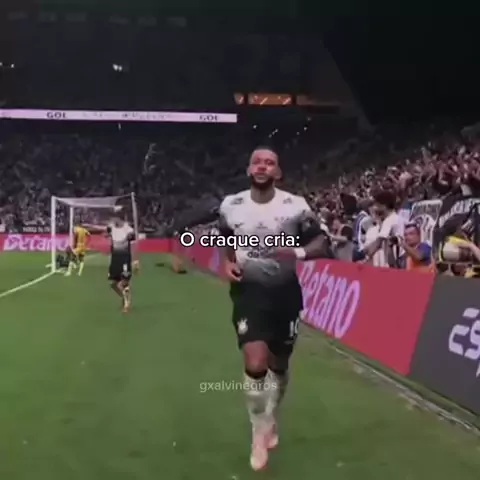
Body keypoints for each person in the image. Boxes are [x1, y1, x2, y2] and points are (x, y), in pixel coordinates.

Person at [218, 146, 328, 471]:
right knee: (255, 362)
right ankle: (258, 431)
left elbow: (321, 241)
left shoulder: (296, 205)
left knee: (279, 365)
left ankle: (270, 416)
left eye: (269, 163)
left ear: (277, 172)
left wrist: (297, 253)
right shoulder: (231, 205)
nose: (262, 166)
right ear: (249, 169)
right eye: (257, 161)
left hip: (285, 294)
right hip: (248, 292)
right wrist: (227, 262)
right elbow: (224, 236)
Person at [85, 216, 136, 312]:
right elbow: (104, 232)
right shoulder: (111, 227)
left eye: (116, 218)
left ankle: (127, 304)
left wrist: (135, 260)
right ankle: (124, 298)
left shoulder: (128, 229)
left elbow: (132, 241)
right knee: (113, 284)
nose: (114, 220)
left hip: (125, 258)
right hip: (115, 259)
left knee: (124, 281)